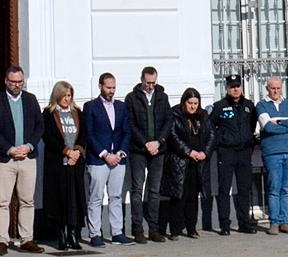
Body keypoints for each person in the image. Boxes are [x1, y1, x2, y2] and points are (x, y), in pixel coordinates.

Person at [0, 66, 43, 255]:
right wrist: (9, 149)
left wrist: (30, 146)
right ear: (6, 81)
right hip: (5, 159)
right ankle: (2, 240)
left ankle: (27, 238)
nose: (17, 85)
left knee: (27, 200)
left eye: (20, 82)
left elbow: (39, 125)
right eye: (13, 81)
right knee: (2, 201)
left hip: (27, 157)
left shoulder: (31, 100)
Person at [123, 66, 171, 243]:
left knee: (154, 190)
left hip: (158, 149)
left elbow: (168, 120)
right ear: (141, 80)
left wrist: (159, 141)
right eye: (147, 83)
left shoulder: (162, 97)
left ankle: (154, 228)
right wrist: (145, 142)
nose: (150, 86)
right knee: (137, 189)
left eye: (153, 83)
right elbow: (131, 124)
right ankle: (138, 230)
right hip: (139, 150)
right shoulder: (132, 98)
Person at [83, 73, 131, 246]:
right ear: (100, 86)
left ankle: (117, 232)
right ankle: (95, 233)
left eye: (113, 88)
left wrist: (120, 153)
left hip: (118, 159)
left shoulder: (121, 107)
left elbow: (127, 131)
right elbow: (89, 134)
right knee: (96, 196)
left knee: (116, 196)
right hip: (98, 159)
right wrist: (104, 154)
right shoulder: (91, 107)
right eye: (108, 87)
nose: (111, 91)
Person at [207, 74, 258, 235]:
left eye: (238, 86)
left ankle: (244, 223)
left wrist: (248, 142)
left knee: (244, 189)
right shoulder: (219, 107)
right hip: (226, 152)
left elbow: (252, 125)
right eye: (232, 86)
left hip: (244, 152)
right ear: (227, 89)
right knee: (224, 189)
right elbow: (210, 128)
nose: (236, 89)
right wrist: (219, 143)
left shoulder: (249, 106)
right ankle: (225, 225)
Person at [42, 81, 87, 250]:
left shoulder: (77, 113)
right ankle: (60, 234)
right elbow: (48, 137)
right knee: (59, 199)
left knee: (74, 200)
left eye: (69, 96)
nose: (66, 99)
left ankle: (73, 234)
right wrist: (67, 152)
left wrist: (76, 152)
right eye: (64, 96)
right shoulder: (48, 114)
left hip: (75, 163)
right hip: (57, 164)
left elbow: (83, 133)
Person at [255, 76, 288, 235]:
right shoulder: (262, 105)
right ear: (267, 89)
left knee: (286, 189)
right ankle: (274, 222)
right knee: (274, 189)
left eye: (278, 88)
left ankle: (284, 221)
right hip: (272, 153)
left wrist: (279, 122)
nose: (276, 91)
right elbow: (267, 126)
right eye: (272, 88)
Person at [162, 88, 211, 240]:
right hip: (180, 162)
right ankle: (175, 230)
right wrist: (189, 152)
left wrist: (205, 152)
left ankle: (192, 228)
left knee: (193, 196)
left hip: (198, 162)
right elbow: (173, 136)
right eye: (190, 103)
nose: (192, 107)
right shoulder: (175, 114)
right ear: (184, 102)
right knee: (178, 196)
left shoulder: (203, 115)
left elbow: (211, 134)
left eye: (195, 103)